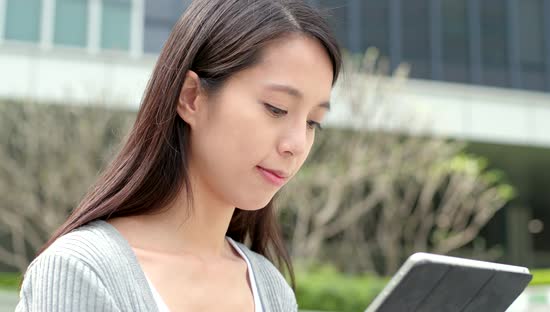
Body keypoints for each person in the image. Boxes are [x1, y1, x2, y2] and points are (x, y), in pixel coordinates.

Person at [15, 0, 341, 311]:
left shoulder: (269, 288)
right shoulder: (83, 270)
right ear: (191, 97)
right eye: (276, 108)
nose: (297, 144)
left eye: (314, 122)